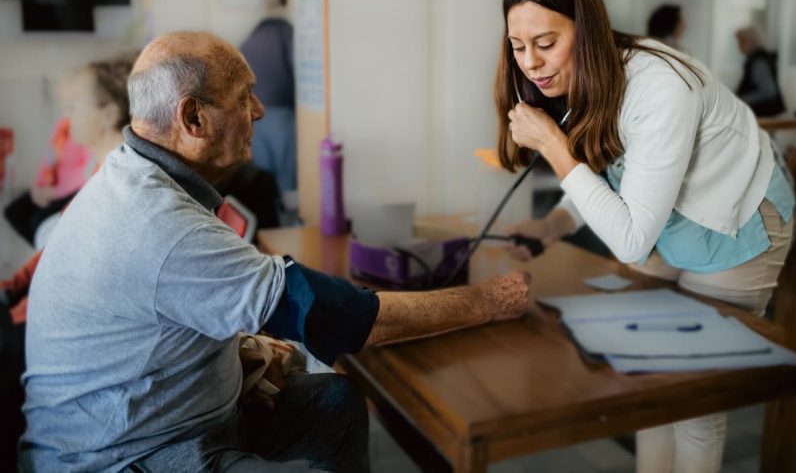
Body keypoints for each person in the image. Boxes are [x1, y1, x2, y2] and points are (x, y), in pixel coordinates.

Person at [19, 31, 530, 473]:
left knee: (335, 399)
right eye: (245, 98)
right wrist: (487, 301)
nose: (259, 111)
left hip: (164, 418)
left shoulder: (131, 175)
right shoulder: (160, 224)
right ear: (193, 117)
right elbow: (341, 317)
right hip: (128, 456)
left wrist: (239, 351)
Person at [497, 0, 795, 473]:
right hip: (665, 223)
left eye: (546, 43)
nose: (531, 63)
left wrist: (551, 144)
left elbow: (631, 238)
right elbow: (610, 172)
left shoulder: (659, 87)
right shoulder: (581, 75)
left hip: (738, 225)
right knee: (648, 377)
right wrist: (554, 225)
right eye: (519, 47)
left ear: (585, 30)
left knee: (693, 398)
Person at [1, 53, 136, 472]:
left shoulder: (119, 176)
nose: (66, 116)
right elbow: (58, 249)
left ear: (110, 111)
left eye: (75, 104)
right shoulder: (102, 165)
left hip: (66, 331)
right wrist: (16, 284)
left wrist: (23, 299)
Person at [3, 78, 91, 247]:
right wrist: (38, 188)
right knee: (13, 212)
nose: (65, 106)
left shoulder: (84, 127)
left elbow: (84, 173)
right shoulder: (62, 125)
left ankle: (46, 257)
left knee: (38, 220)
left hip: (71, 190)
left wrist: (53, 193)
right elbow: (48, 159)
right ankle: (42, 257)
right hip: (51, 187)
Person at [240, 0, 298, 220]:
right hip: (283, 118)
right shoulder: (288, 35)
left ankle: (274, 229)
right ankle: (290, 228)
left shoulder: (248, 41)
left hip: (254, 120)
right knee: (288, 181)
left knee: (266, 179)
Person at [735, 25, 785, 117]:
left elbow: (768, 92)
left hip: (763, 114)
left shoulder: (759, 61)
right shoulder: (755, 60)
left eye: (741, 41)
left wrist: (740, 99)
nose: (738, 45)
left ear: (750, 41)